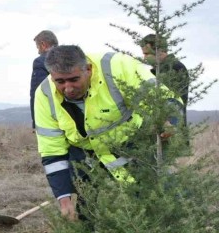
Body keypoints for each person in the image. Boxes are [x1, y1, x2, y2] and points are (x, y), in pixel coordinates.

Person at [33, 45, 180, 221]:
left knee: (152, 198)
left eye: (73, 79)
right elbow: (52, 152)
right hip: (84, 152)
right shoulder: (44, 94)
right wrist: (64, 199)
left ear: (87, 69)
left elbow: (162, 98)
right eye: (60, 82)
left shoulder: (116, 67)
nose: (68, 88)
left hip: (130, 143)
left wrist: (168, 120)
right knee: (87, 210)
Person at [140, 34, 189, 136]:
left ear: (160, 51)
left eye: (147, 54)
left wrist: (170, 124)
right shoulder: (156, 72)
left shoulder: (175, 68)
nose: (144, 58)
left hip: (172, 133)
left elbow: (175, 101)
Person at [30, 30, 58, 130]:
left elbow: (38, 93)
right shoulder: (72, 57)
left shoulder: (41, 62)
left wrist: (36, 123)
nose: (38, 51)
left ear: (43, 44)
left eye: (38, 47)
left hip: (53, 118)